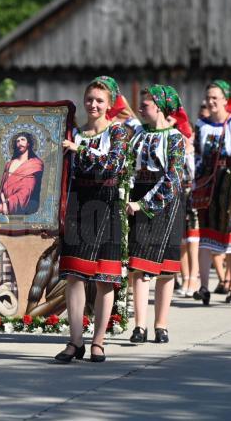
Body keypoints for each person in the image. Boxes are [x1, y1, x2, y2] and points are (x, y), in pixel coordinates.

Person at [56, 76, 129, 363]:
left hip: (106, 203)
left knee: (104, 278)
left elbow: (114, 163)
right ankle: (75, 341)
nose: (93, 104)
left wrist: (80, 150)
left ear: (110, 104)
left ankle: (98, 340)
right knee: (74, 275)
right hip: (78, 203)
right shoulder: (73, 132)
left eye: (100, 100)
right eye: (90, 99)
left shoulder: (118, 132)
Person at [125, 84, 188, 344]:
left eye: (146, 104)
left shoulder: (175, 138)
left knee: (165, 269)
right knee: (139, 265)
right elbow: (128, 166)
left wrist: (145, 205)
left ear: (160, 108)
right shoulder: (137, 134)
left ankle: (161, 324)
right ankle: (139, 326)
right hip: (138, 196)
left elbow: (173, 179)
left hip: (166, 203)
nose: (140, 108)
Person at [193, 80, 231, 305]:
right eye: (209, 98)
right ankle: (204, 286)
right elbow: (197, 154)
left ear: (226, 99)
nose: (211, 101)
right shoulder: (202, 124)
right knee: (205, 236)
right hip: (208, 182)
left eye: (216, 97)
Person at [0, 132, 44, 215]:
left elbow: (27, 189)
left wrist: (7, 203)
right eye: (17, 141)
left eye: (23, 140)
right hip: (4, 205)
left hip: (25, 206)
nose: (20, 143)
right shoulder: (9, 164)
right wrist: (2, 202)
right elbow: (2, 188)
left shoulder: (35, 164)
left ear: (28, 143)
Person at [177, 130, 199, 298]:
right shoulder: (175, 149)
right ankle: (185, 277)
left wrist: (190, 151)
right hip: (178, 196)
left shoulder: (195, 152)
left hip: (194, 196)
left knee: (193, 240)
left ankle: (193, 278)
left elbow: (195, 173)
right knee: (181, 242)